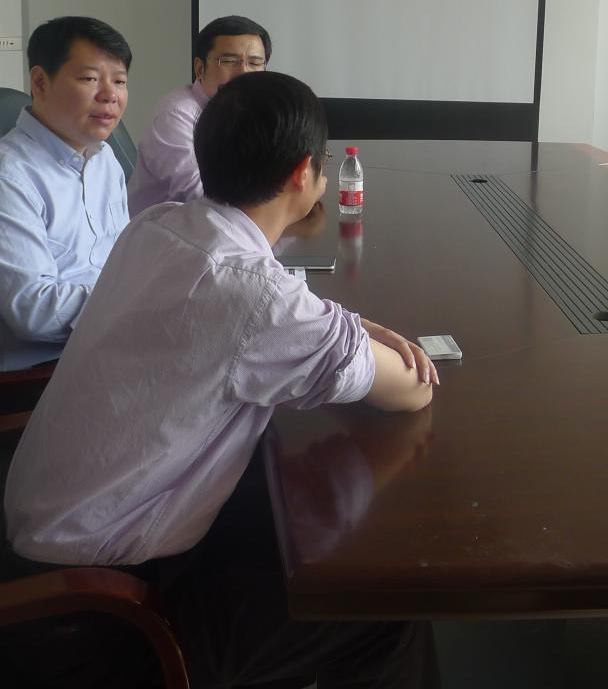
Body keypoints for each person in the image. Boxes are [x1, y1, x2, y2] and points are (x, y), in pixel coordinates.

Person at [4, 71, 440, 688]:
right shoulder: (254, 297)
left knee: (290, 496)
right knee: (381, 609)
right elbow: (411, 388)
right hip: (102, 618)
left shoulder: (157, 226)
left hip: (43, 550)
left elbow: (263, 310)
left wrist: (342, 324)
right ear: (304, 174)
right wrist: (358, 334)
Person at [0, 16, 131, 369]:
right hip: (41, 370)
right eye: (90, 79)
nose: (110, 95)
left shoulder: (106, 160)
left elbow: (121, 264)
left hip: (109, 342)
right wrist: (134, 301)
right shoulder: (9, 175)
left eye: (119, 81)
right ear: (40, 82)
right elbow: (31, 310)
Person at [127, 14, 271, 215]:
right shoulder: (175, 115)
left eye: (255, 63)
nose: (243, 73)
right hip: (164, 231)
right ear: (200, 68)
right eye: (229, 61)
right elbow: (201, 195)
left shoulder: (251, 114)